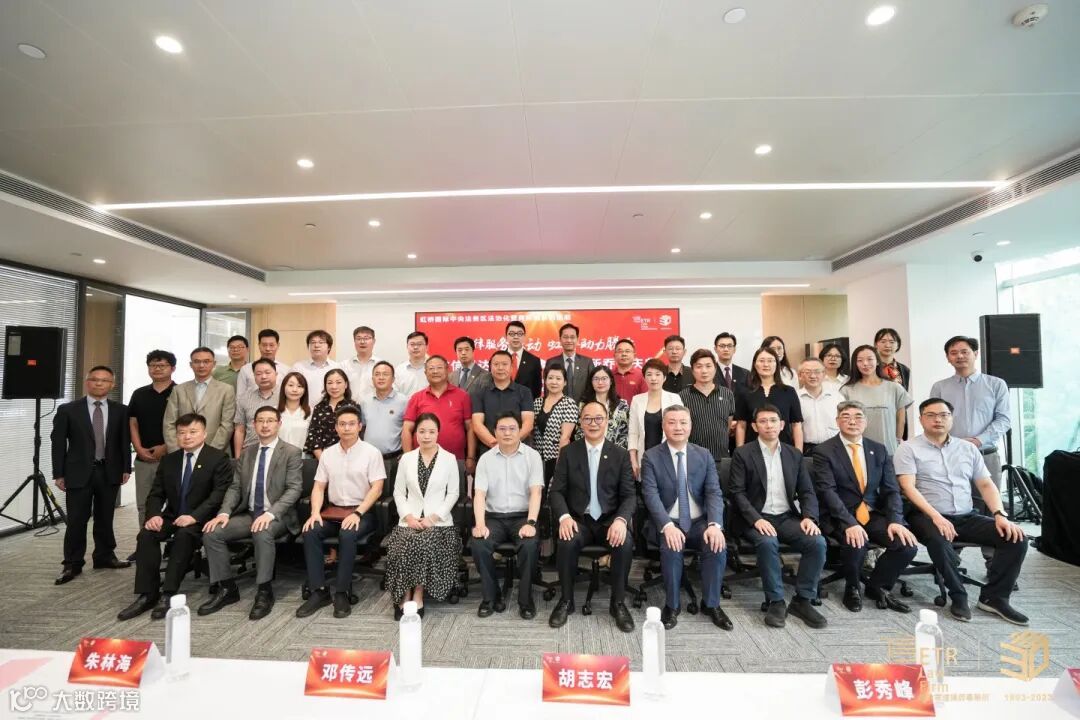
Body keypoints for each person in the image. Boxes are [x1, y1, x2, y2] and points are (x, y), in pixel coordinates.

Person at [896, 398, 1029, 625]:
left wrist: (1000, 515)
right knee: (939, 540)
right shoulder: (908, 449)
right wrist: (936, 517)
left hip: (966, 516)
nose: (938, 419)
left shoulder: (967, 449)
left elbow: (986, 484)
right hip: (926, 515)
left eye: (944, 415)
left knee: (1015, 538)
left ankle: (994, 597)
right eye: (931, 415)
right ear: (921, 419)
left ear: (951, 419)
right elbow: (908, 487)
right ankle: (958, 596)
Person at [117, 413, 232, 620]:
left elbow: (218, 496)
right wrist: (153, 515)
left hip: (203, 518)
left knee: (184, 536)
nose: (187, 437)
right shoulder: (170, 460)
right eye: (182, 433)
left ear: (204, 434)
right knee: (146, 535)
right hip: (173, 515)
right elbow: (156, 493)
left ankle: (168, 593)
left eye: (193, 432)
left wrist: (194, 517)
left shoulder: (218, 458)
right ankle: (147, 594)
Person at [812, 400, 918, 614]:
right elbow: (827, 492)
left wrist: (896, 521)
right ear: (837, 422)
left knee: (906, 545)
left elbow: (891, 490)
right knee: (856, 541)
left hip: (871, 513)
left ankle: (877, 586)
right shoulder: (824, 451)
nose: (852, 421)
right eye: (846, 417)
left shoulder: (878, 450)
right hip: (839, 515)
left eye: (858, 417)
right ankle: (852, 587)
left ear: (866, 422)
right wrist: (849, 523)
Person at [199, 406, 303, 620]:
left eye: (270, 421)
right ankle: (227, 588)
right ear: (254, 425)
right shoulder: (247, 453)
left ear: (279, 424)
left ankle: (264, 591)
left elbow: (294, 489)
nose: (265, 425)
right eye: (260, 421)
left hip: (278, 516)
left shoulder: (291, 452)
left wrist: (270, 514)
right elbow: (235, 487)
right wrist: (224, 513)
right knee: (212, 533)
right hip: (249, 513)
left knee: (262, 531)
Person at [730, 405, 826, 629]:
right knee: (767, 542)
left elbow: (807, 491)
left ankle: (803, 600)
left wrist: (809, 517)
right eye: (763, 421)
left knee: (817, 542)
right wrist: (756, 519)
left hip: (786, 517)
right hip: (755, 518)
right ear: (755, 426)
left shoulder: (794, 454)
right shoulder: (743, 453)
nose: (769, 425)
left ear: (782, 425)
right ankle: (776, 601)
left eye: (773, 420)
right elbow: (737, 493)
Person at [548, 402, 637, 633]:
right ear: (580, 422)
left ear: (607, 421)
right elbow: (556, 491)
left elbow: (629, 495)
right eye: (587, 418)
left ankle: (618, 603)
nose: (593, 423)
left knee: (625, 542)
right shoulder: (569, 452)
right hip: (580, 520)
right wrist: (564, 517)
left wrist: (621, 520)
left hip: (609, 520)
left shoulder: (620, 454)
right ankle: (566, 600)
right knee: (566, 540)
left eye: (598, 418)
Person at [641, 406, 732, 631]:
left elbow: (713, 492)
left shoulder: (704, 454)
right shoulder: (651, 456)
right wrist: (666, 525)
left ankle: (711, 604)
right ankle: (672, 606)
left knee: (717, 544)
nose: (678, 427)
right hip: (669, 521)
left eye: (683, 422)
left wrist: (714, 524)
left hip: (699, 521)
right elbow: (650, 495)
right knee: (671, 547)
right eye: (672, 422)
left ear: (691, 426)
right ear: (663, 426)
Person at [296, 406, 386, 619]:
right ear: (336, 428)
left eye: (351, 424)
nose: (347, 428)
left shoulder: (371, 453)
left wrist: (357, 513)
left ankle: (342, 592)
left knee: (348, 533)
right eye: (342, 424)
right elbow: (319, 487)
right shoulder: (328, 454)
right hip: (333, 513)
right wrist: (315, 513)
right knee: (310, 530)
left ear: (360, 426)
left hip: (362, 513)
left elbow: (377, 488)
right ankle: (319, 591)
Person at [52, 365, 132, 585]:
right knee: (77, 519)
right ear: (87, 382)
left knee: (105, 517)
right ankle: (72, 563)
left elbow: (124, 441)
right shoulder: (68, 410)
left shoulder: (121, 410)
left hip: (109, 470)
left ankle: (105, 556)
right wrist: (59, 473)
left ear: (112, 385)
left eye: (104, 380)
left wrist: (126, 467)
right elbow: (58, 443)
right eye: (94, 379)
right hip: (77, 472)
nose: (99, 383)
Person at [384, 413, 462, 619]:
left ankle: (418, 592)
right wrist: (408, 517)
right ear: (415, 434)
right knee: (404, 543)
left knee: (423, 542)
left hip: (439, 523)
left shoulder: (449, 459)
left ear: (438, 433)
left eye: (431, 431)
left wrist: (433, 518)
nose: (426, 436)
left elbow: (453, 493)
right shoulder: (406, 459)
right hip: (409, 519)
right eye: (422, 431)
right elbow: (398, 492)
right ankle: (405, 594)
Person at [472, 411, 544, 619]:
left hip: (522, 517)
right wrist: (480, 524)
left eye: (512, 428)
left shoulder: (532, 456)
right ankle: (491, 597)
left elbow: (536, 492)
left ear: (520, 430)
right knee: (479, 543)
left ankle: (525, 600)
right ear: (494, 432)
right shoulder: (485, 459)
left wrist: (531, 522)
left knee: (529, 545)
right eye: (502, 429)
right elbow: (479, 494)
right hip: (494, 517)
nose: (507, 433)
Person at [929, 336, 1010, 503]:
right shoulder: (940, 387)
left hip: (986, 455)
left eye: (964, 352)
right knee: (953, 505)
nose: (959, 356)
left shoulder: (996, 384)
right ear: (948, 358)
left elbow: (1004, 419)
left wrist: (978, 440)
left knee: (989, 506)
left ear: (976, 354)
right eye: (953, 353)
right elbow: (933, 420)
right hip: (951, 455)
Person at [402, 356, 476, 476]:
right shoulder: (417, 398)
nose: (435, 371)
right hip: (422, 460)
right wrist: (408, 458)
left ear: (448, 370)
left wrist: (471, 457)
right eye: (431, 368)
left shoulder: (462, 396)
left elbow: (470, 428)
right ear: (425, 373)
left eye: (439, 368)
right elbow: (407, 429)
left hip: (456, 459)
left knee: (456, 488)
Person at [127, 350, 176, 527]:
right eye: (153, 365)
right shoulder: (139, 394)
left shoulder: (180, 392)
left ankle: (172, 542)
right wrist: (138, 448)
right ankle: (145, 539)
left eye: (162, 365)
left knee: (174, 503)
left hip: (172, 457)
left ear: (173, 368)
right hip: (144, 458)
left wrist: (166, 447)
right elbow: (133, 423)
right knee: (144, 504)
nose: (157, 369)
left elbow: (185, 425)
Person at [840, 345, 912, 456]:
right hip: (857, 452)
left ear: (877, 361)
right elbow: (842, 421)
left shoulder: (894, 388)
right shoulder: (846, 390)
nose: (865, 363)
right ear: (855, 364)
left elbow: (901, 419)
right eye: (860, 360)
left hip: (889, 451)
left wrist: (897, 441)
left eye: (870, 359)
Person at [163, 347, 236, 452]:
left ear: (214, 364)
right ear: (191, 364)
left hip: (215, 452)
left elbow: (227, 425)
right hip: (182, 452)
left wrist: (209, 453)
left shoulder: (226, 390)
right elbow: (169, 423)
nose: (201, 365)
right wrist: (176, 451)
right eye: (197, 362)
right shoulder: (178, 390)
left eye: (206, 361)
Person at [734, 347, 803, 450]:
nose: (766, 364)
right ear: (755, 364)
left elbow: (796, 425)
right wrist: (740, 452)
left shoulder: (789, 391)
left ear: (777, 364)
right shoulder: (745, 392)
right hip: (752, 450)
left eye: (770, 361)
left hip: (784, 449)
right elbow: (741, 426)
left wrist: (798, 453)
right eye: (761, 361)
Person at [471, 350, 534, 456]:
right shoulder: (479, 393)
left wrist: (511, 444)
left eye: (504, 364)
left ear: (511, 368)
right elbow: (477, 424)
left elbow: (528, 423)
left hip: (519, 452)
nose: (500, 368)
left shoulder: (524, 392)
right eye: (496, 364)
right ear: (490, 367)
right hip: (489, 451)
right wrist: (495, 445)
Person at [628, 358, 683, 478]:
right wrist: (633, 459)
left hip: (669, 456)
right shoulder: (637, 400)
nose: (653, 378)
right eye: (649, 374)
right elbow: (633, 433)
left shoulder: (674, 398)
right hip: (645, 457)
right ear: (644, 378)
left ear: (664, 377)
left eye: (658, 374)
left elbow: (682, 430)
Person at [679, 349, 736, 462]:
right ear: (692, 370)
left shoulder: (727, 394)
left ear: (715, 369)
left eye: (708, 366)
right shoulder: (682, 396)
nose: (704, 371)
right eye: (699, 366)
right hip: (693, 459)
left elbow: (728, 425)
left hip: (722, 458)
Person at [359, 361, 409, 478]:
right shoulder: (365, 401)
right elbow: (362, 429)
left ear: (393, 379)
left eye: (385, 374)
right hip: (368, 459)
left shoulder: (403, 401)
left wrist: (406, 454)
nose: (381, 377)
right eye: (377, 374)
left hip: (393, 459)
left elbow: (408, 430)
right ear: (372, 379)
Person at [532, 365, 580, 480]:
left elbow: (565, 437)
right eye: (550, 378)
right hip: (536, 458)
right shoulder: (537, 402)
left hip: (556, 458)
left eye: (558, 379)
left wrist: (560, 463)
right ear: (545, 381)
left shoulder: (569, 404)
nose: (554, 382)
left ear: (565, 382)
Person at [304, 369, 361, 460]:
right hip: (321, 458)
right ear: (325, 385)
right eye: (330, 383)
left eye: (338, 382)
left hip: (349, 457)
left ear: (346, 385)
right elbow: (313, 435)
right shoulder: (319, 407)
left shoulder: (353, 406)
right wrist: (323, 460)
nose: (334, 386)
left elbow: (356, 434)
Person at [232, 358, 279, 456]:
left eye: (267, 372)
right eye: (258, 374)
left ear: (276, 374)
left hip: (278, 452)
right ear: (254, 377)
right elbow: (239, 430)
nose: (263, 376)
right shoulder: (244, 398)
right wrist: (238, 457)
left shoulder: (285, 396)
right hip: (250, 451)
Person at [577, 365, 630, 448]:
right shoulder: (583, 405)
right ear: (591, 382)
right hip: (588, 450)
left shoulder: (622, 405)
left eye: (604, 378)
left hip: (616, 451)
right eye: (596, 379)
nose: (600, 382)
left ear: (611, 381)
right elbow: (579, 431)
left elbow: (625, 433)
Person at [796, 358, 840, 455]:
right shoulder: (794, 398)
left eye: (817, 372)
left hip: (835, 448)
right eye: (807, 372)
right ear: (800, 375)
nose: (813, 376)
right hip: (807, 450)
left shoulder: (837, 397)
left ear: (824, 374)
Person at [546, 323, 595, 401]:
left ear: (577, 339)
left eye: (572, 337)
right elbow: (547, 390)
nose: (569, 340)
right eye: (565, 337)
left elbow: (592, 387)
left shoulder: (587, 362)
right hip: (557, 407)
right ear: (560, 339)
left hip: (582, 406)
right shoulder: (551, 362)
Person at [292, 330, 341, 405]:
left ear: (329, 347)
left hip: (331, 410)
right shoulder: (298, 367)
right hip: (305, 409)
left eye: (321, 342)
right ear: (308, 347)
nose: (316, 345)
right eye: (313, 342)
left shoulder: (337, 367)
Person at [236, 329, 289, 398]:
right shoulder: (246, 369)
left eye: (271, 345)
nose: (267, 349)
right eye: (264, 345)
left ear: (278, 345)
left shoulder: (286, 370)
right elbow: (240, 396)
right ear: (259, 345)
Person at [342, 325, 382, 400]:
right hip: (349, 406)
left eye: (366, 338)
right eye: (358, 338)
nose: (362, 342)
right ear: (354, 341)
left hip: (374, 405)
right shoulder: (344, 365)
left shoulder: (381, 365)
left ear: (374, 341)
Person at [505, 320, 542, 400]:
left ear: (524, 336)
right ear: (506, 336)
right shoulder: (496, 359)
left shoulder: (534, 361)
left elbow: (537, 391)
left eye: (519, 334)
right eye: (512, 334)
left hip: (526, 405)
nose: (516, 337)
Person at [276, 371, 311, 451]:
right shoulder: (274, 412)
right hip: (278, 456)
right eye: (291, 385)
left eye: (299, 386)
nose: (295, 390)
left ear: (304, 390)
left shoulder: (311, 412)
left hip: (303, 456)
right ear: (283, 387)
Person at [395, 331, 430, 398]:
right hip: (406, 404)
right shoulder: (399, 369)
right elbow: (395, 393)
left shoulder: (433, 369)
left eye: (419, 344)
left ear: (426, 347)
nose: (415, 347)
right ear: (407, 347)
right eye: (412, 344)